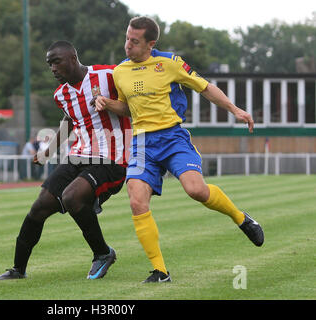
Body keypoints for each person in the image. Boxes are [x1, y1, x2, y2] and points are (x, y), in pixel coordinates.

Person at [92, 16, 264, 283]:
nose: (128, 45)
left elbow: (205, 88)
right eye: (127, 38)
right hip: (141, 142)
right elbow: (127, 108)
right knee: (137, 201)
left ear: (151, 44)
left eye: (134, 42)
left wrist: (235, 110)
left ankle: (241, 218)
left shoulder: (169, 63)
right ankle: (160, 271)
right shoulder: (120, 72)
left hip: (172, 137)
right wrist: (106, 102)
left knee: (196, 190)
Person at [0, 40, 131, 281]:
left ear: (73, 58)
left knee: (71, 197)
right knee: (40, 206)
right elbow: (69, 121)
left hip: (112, 159)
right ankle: (18, 269)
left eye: (56, 62)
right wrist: (48, 151)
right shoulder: (62, 94)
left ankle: (103, 253)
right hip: (79, 155)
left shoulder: (108, 75)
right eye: (49, 65)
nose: (53, 69)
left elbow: (133, 106)